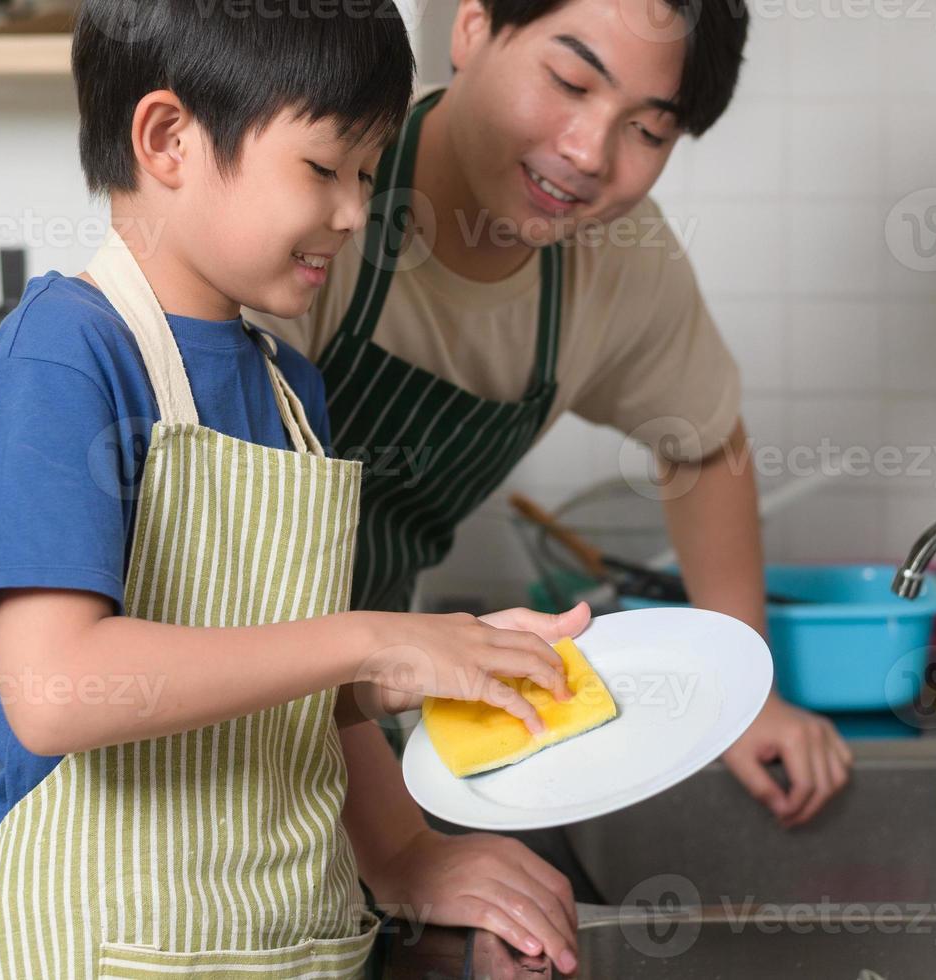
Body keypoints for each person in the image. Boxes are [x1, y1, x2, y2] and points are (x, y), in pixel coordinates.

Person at [0, 2, 589, 975]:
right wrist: (375, 634)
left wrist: (409, 791)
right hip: (97, 943)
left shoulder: (287, 388)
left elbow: (292, 685)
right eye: (324, 168)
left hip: (286, 943)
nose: (357, 211)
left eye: (367, 174)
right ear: (167, 138)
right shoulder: (68, 353)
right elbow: (59, 686)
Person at [246, 0, 857, 964]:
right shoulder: (326, 191)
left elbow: (700, 442)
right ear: (473, 28)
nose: (588, 150)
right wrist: (398, 846)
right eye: (569, 83)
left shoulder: (619, 261)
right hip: (185, 698)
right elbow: (232, 593)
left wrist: (737, 677)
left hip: (355, 709)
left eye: (648, 129)